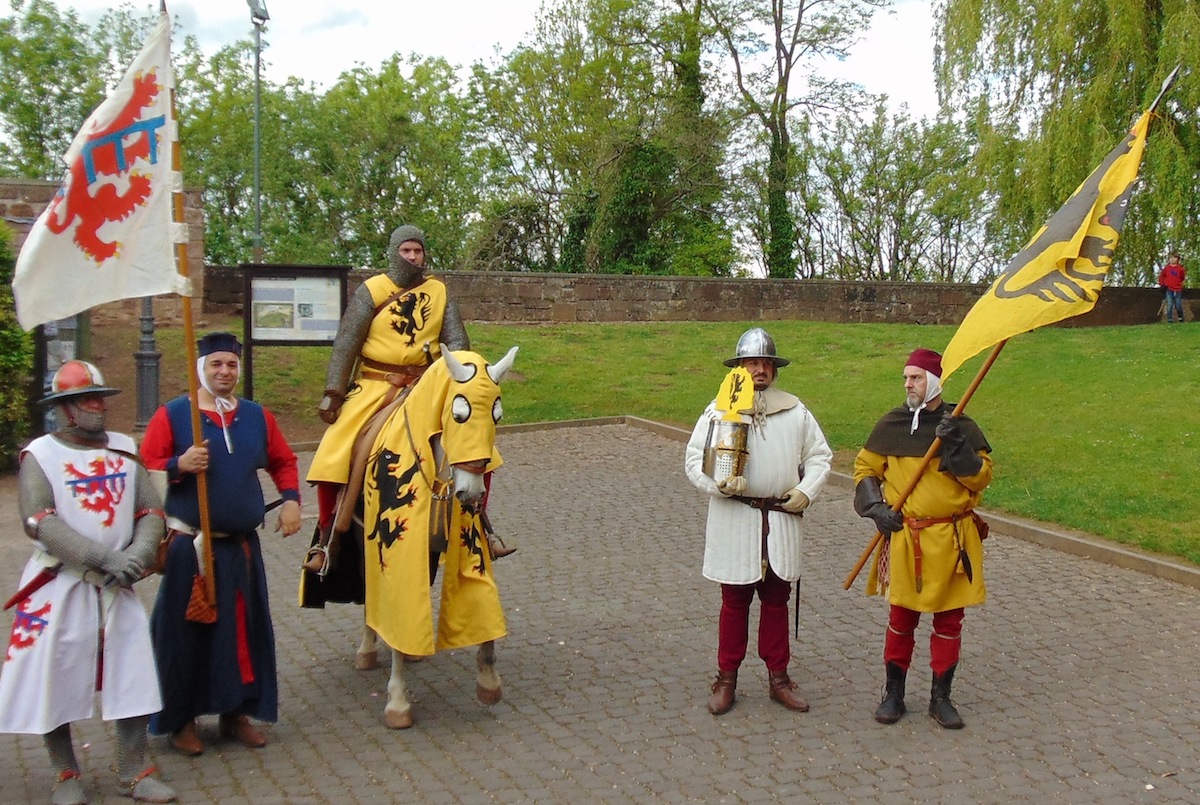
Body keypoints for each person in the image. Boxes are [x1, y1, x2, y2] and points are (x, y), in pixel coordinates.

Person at [0, 360, 176, 803]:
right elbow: (39, 520)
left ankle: (134, 770)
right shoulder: (40, 454)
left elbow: (149, 510)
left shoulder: (122, 446)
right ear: (66, 407)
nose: (97, 406)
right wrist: (99, 557)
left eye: (100, 397)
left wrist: (136, 555)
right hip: (59, 583)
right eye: (86, 399)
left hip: (118, 585)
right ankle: (66, 773)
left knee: (133, 673)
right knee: (52, 675)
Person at [141, 332, 302, 755]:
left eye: (231, 365)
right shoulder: (174, 415)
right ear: (201, 368)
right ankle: (181, 721)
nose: (225, 372)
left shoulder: (255, 417)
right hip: (188, 551)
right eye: (216, 364)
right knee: (184, 636)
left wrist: (290, 500)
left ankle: (236, 713)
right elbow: (144, 473)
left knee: (243, 633)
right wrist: (178, 465)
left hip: (240, 549)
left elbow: (283, 460)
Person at [305, 224, 485, 565]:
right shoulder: (372, 290)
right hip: (376, 385)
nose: (413, 257)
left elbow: (458, 344)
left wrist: (457, 378)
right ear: (394, 253)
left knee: (477, 442)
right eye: (406, 251)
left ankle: (478, 528)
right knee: (335, 448)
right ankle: (328, 537)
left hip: (426, 385)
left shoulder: (440, 292)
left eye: (418, 251)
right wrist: (333, 391)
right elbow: (346, 344)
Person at [684, 327, 833, 716]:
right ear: (739, 368)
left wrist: (806, 490)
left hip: (780, 519)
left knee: (776, 600)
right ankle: (726, 678)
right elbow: (693, 460)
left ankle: (778, 678)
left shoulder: (795, 410)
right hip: (735, 519)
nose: (760, 369)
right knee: (734, 602)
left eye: (766, 363)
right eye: (753, 363)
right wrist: (718, 485)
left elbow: (820, 455)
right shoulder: (718, 410)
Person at [852, 348, 992, 729]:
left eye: (915, 377)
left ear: (933, 380)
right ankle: (893, 694)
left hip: (952, 540)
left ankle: (941, 698)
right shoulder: (892, 423)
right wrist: (874, 506)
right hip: (907, 540)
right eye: (905, 378)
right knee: (901, 618)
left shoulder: (960, 425)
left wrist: (957, 445)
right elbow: (865, 467)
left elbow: (980, 479)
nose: (908, 384)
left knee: (949, 621)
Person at [1158, 252, 1186, 323]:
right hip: (1169, 289)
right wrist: (1162, 284)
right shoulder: (1166, 268)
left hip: (1178, 289)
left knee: (1178, 304)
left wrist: (1180, 284)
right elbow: (1162, 277)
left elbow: (1182, 277)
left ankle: (1180, 317)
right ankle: (1170, 319)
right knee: (1169, 304)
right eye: (1170, 258)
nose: (1172, 259)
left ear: (1177, 259)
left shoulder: (1180, 269)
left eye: (1174, 258)